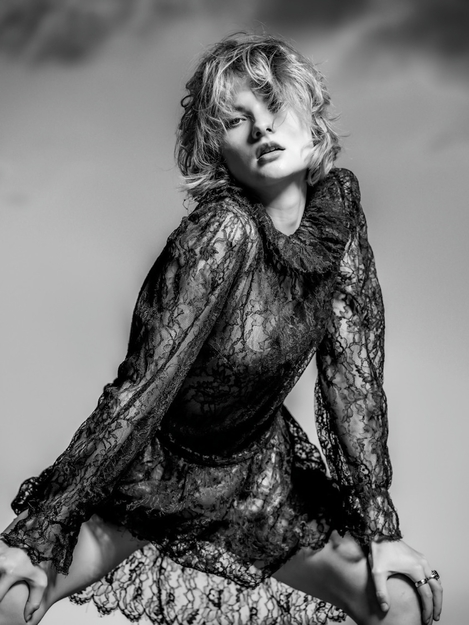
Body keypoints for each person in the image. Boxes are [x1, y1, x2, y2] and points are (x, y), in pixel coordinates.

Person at [0, 33, 442, 625]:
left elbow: (352, 378)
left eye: (273, 103)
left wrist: (381, 529)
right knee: (11, 598)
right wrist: (42, 529)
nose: (262, 129)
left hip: (259, 477)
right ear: (217, 151)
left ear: (312, 115)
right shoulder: (221, 232)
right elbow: (141, 389)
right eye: (236, 121)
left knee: (402, 602)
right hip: (152, 471)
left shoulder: (336, 215)